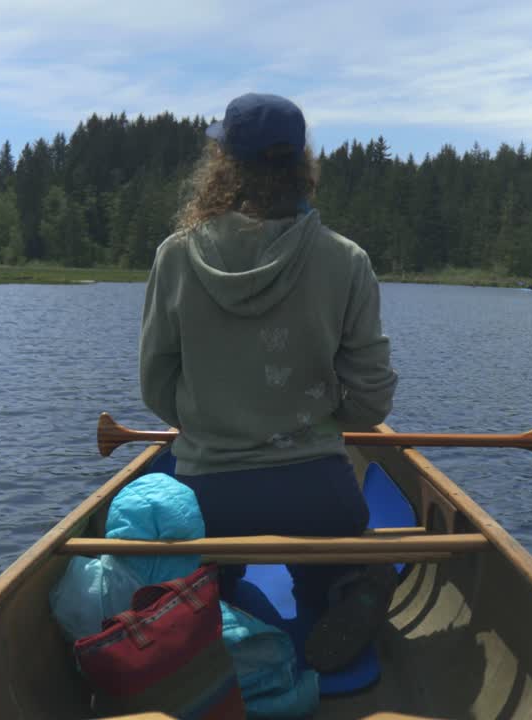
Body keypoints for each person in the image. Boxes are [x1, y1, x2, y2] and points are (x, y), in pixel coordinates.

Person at [138, 92, 400, 673]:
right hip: (320, 494)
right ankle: (341, 585)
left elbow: (155, 388)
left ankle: (214, 601)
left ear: (224, 166)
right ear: (302, 165)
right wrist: (323, 413)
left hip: (210, 496)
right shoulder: (346, 260)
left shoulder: (175, 257)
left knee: (207, 564)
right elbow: (372, 400)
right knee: (329, 548)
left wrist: (215, 418)